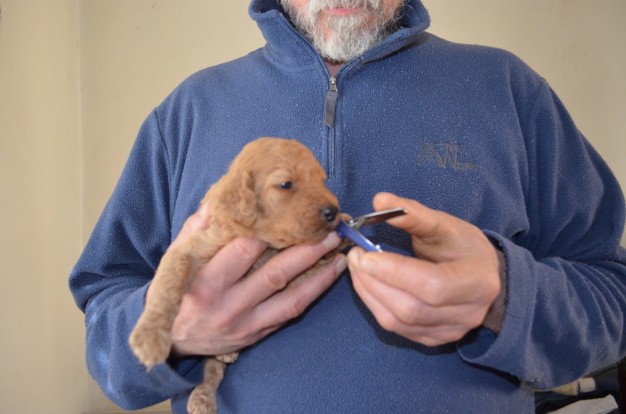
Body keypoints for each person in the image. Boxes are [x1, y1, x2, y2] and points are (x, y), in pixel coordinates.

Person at [69, 0, 626, 413]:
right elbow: (105, 321)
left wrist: (505, 298)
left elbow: (612, 294)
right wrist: (175, 332)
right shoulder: (188, 111)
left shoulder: (508, 89)